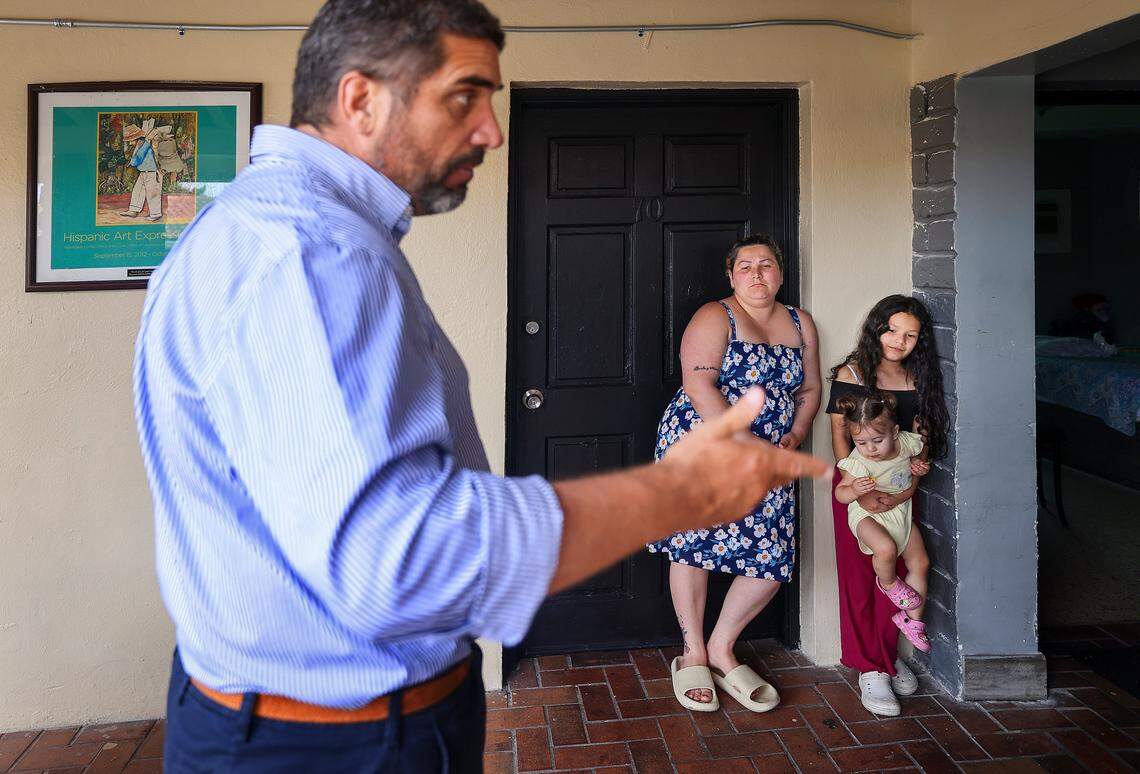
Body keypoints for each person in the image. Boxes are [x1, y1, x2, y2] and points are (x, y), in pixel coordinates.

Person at [131, 1, 829, 771]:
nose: (492, 131)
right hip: (337, 741)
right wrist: (677, 493)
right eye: (464, 97)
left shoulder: (266, 225)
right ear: (360, 100)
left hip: (291, 719)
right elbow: (400, 561)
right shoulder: (312, 253)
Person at [647, 234, 821, 713]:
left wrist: (797, 431)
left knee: (771, 554)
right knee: (692, 545)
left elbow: (809, 389)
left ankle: (722, 647)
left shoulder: (800, 322)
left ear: (780, 273)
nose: (757, 274)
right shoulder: (715, 315)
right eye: (746, 266)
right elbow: (698, 383)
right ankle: (692, 653)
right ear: (731, 275)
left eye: (766, 265)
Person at [826, 294, 949, 716]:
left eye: (910, 335)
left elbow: (919, 434)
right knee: (862, 581)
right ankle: (870, 668)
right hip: (858, 486)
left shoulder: (917, 376)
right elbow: (839, 434)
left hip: (901, 489)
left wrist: (918, 467)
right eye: (892, 330)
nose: (899, 341)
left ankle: (887, 655)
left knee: (896, 573)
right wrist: (853, 484)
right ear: (876, 328)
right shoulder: (853, 372)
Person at [833, 392, 931, 654]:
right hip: (867, 516)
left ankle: (912, 621)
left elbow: (921, 452)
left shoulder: (905, 443)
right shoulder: (858, 461)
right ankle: (888, 584)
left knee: (921, 562)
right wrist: (853, 489)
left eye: (878, 440)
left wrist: (920, 466)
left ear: (895, 432)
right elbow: (840, 494)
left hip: (899, 512)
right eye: (861, 442)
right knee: (885, 549)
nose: (870, 449)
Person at [120, 118, 163, 221]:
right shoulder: (142, 144)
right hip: (144, 172)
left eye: (131, 140)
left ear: (136, 138)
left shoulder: (144, 145)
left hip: (151, 173)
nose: (130, 143)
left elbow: (136, 160)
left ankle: (155, 214)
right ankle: (134, 210)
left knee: (152, 193)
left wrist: (133, 158)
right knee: (137, 191)